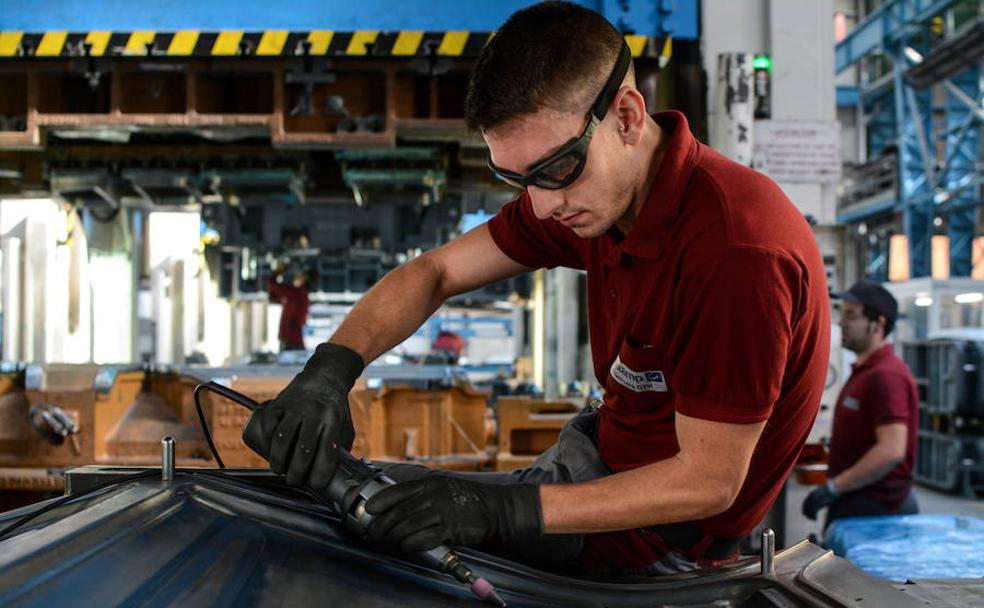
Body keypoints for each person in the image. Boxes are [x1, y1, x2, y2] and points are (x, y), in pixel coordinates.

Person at [242, 2, 830, 574]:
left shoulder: (734, 252)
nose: (543, 207)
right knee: (325, 503)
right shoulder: (600, 196)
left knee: (357, 546)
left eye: (554, 170)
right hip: (590, 468)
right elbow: (436, 273)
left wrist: (496, 510)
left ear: (626, 117)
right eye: (516, 178)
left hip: (657, 544)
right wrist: (331, 370)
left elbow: (708, 482)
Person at [803, 281, 919, 528]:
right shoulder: (865, 371)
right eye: (841, 314)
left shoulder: (886, 376)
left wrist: (833, 488)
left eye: (851, 315)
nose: (841, 322)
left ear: (878, 324)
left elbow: (891, 450)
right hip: (856, 501)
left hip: (876, 510)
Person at [267, 263, 310, 352]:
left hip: (290, 339)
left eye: (298, 277)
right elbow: (274, 297)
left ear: (303, 280)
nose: (295, 279)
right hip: (292, 339)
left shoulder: (294, 294)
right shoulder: (299, 295)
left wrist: (278, 272)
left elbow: (272, 285)